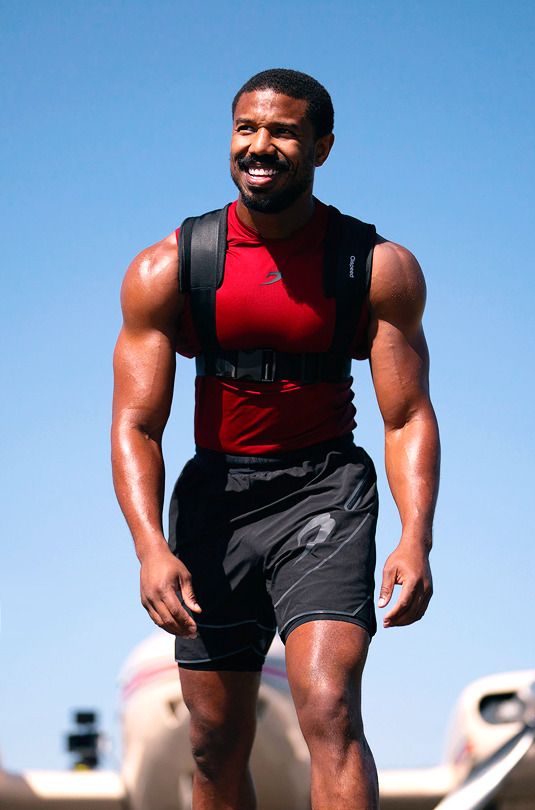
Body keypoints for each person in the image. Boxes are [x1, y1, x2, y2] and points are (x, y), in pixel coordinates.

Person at [111, 68, 440, 810]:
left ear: (321, 147)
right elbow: (136, 424)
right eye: (246, 130)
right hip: (217, 501)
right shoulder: (168, 268)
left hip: (324, 495)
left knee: (328, 708)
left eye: (283, 131)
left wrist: (415, 537)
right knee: (213, 744)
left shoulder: (376, 267)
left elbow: (408, 416)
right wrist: (149, 547)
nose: (261, 146)